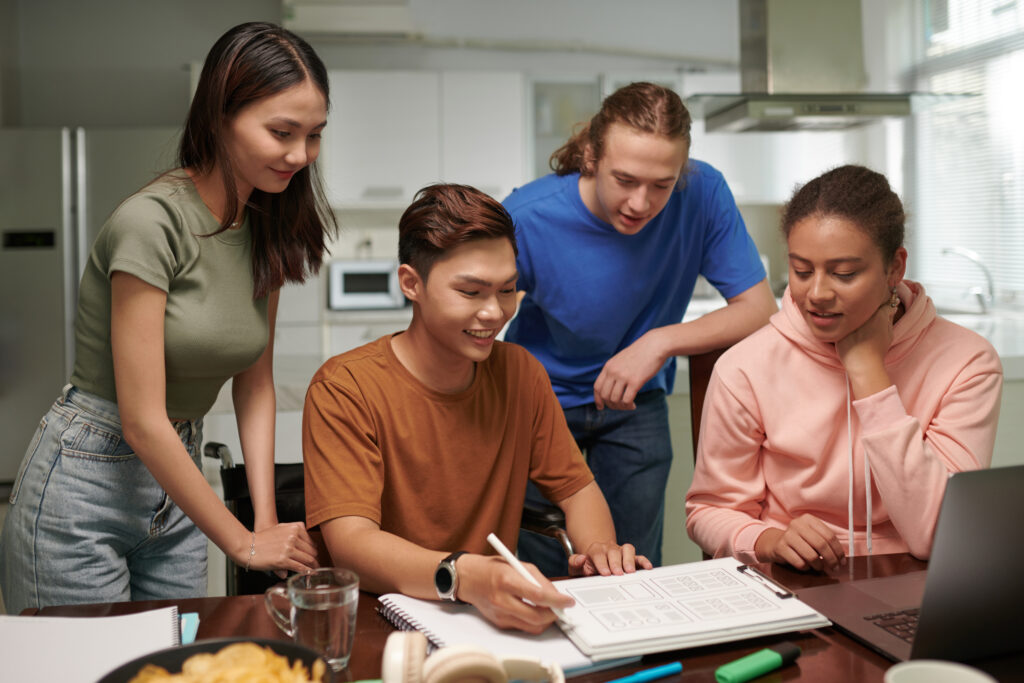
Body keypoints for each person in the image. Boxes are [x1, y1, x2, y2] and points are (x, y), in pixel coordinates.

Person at [0, 22, 334, 613]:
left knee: (168, 665)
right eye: (282, 132)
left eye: (313, 135)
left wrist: (261, 521)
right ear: (219, 117)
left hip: (177, 482)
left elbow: (254, 381)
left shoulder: (268, 225)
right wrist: (242, 545)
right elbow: (142, 421)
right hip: (86, 478)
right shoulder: (151, 224)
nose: (300, 155)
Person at [303, 183, 651, 634]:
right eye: (471, 292)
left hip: (490, 617)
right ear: (412, 283)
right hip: (379, 622)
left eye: (507, 290)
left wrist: (601, 551)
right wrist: (466, 575)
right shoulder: (345, 388)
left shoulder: (521, 374)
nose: (494, 312)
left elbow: (577, 490)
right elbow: (352, 546)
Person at [503, 82, 777, 575]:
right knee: (543, 565)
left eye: (661, 185)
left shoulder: (704, 193)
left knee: (633, 564)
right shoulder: (528, 216)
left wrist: (659, 342)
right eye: (624, 179)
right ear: (591, 156)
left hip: (637, 405)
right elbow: (483, 311)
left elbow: (759, 308)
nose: (639, 202)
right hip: (538, 405)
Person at [685, 164, 1003, 571]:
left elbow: (938, 534)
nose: (816, 294)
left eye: (844, 273)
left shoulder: (967, 362)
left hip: (915, 581)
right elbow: (709, 510)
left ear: (895, 268)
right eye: (801, 271)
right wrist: (768, 539)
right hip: (791, 583)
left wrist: (870, 374)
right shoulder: (744, 367)